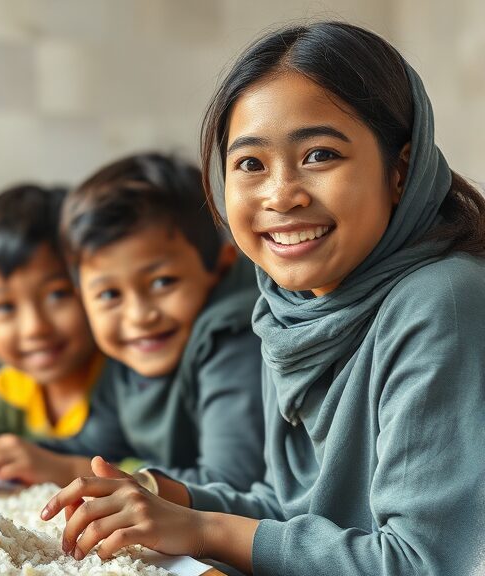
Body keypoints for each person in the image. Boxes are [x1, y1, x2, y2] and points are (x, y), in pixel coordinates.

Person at [42, 21, 485, 575]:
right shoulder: (286, 311)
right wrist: (161, 497)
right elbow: (293, 516)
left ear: (400, 170)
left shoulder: (442, 299)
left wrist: (202, 529)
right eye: (250, 164)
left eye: (320, 155)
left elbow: (425, 562)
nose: (281, 195)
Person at [42, 152, 264, 490]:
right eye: (109, 295)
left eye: (163, 282)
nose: (139, 316)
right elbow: (91, 448)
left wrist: (68, 469)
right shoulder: (130, 354)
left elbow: (230, 482)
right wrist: (20, 454)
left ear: (220, 267)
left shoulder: (231, 336)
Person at [0, 183, 106, 486]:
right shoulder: (13, 388)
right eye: (5, 307)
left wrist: (63, 467)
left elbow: (162, 470)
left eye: (58, 295)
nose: (35, 327)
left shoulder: (124, 383)